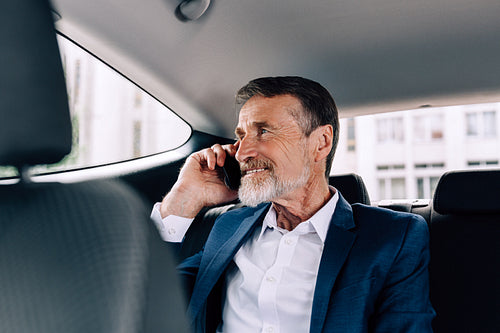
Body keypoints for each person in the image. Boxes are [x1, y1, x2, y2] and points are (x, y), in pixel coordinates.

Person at [151, 76, 435, 332]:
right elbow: (145, 296)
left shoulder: (393, 237)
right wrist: (184, 197)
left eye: (263, 131)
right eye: (241, 136)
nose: (243, 152)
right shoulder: (229, 226)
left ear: (321, 142)